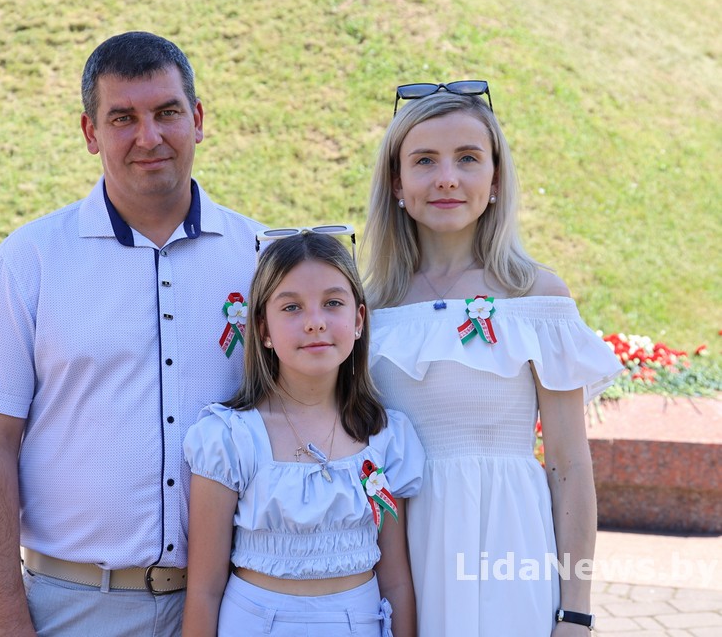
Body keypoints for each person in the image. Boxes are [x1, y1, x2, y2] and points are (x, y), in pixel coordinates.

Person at [0, 32, 264, 637]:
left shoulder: (260, 257)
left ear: (197, 120)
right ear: (90, 133)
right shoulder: (29, 262)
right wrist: (7, 620)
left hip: (235, 605)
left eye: (166, 112)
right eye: (123, 118)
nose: (149, 136)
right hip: (77, 609)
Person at [362, 82, 622, 636]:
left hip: (509, 553)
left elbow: (569, 466)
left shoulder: (535, 298)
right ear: (397, 182)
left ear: (496, 179)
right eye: (424, 160)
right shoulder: (369, 308)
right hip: (396, 560)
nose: (447, 177)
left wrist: (576, 612)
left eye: (468, 158)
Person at [181, 230, 425, 637]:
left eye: (333, 303)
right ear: (264, 330)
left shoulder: (385, 437)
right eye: (292, 307)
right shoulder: (229, 437)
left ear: (358, 320)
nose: (315, 322)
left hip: (359, 624)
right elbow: (204, 590)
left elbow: (396, 581)